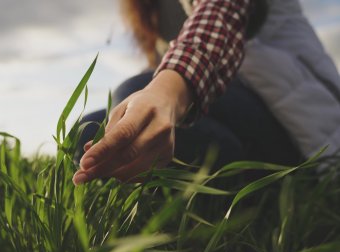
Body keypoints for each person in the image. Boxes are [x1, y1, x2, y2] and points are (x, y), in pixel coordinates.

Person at [72, 0, 340, 185]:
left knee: (134, 90)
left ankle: (258, 196)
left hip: (294, 121)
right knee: (89, 129)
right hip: (224, 108)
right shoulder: (150, 8)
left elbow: (219, 13)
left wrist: (163, 94)